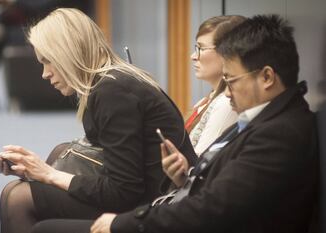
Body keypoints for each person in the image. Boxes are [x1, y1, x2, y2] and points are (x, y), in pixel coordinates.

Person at [30, 14, 319, 233]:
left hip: (170, 217)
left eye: (231, 80)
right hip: (173, 203)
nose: (227, 90)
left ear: (266, 77)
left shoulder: (278, 134)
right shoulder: (271, 118)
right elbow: (226, 193)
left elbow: (212, 211)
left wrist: (122, 224)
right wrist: (186, 176)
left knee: (40, 225)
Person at [0, 8, 197, 233]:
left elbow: (123, 192)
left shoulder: (113, 92)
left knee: (17, 198)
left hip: (154, 207)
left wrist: (48, 174)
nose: (44, 74)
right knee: (59, 153)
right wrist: (33, 172)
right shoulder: (111, 81)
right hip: (144, 190)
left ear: (69, 53)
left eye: (48, 62)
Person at [185, 15, 244, 155]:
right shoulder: (208, 100)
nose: (193, 56)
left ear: (227, 53)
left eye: (201, 48)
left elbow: (200, 163)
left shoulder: (226, 103)